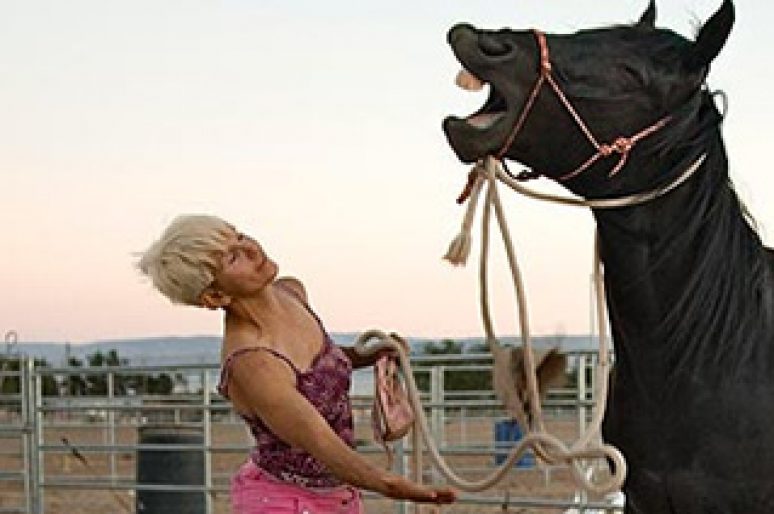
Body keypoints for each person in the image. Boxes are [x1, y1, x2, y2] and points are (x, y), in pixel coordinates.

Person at [138, 214, 457, 514]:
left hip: (337, 496)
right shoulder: (253, 364)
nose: (252, 248)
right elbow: (318, 441)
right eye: (233, 257)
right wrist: (391, 485)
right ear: (216, 296)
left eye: (240, 236)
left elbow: (319, 367)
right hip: (283, 502)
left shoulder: (292, 292)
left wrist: (372, 354)